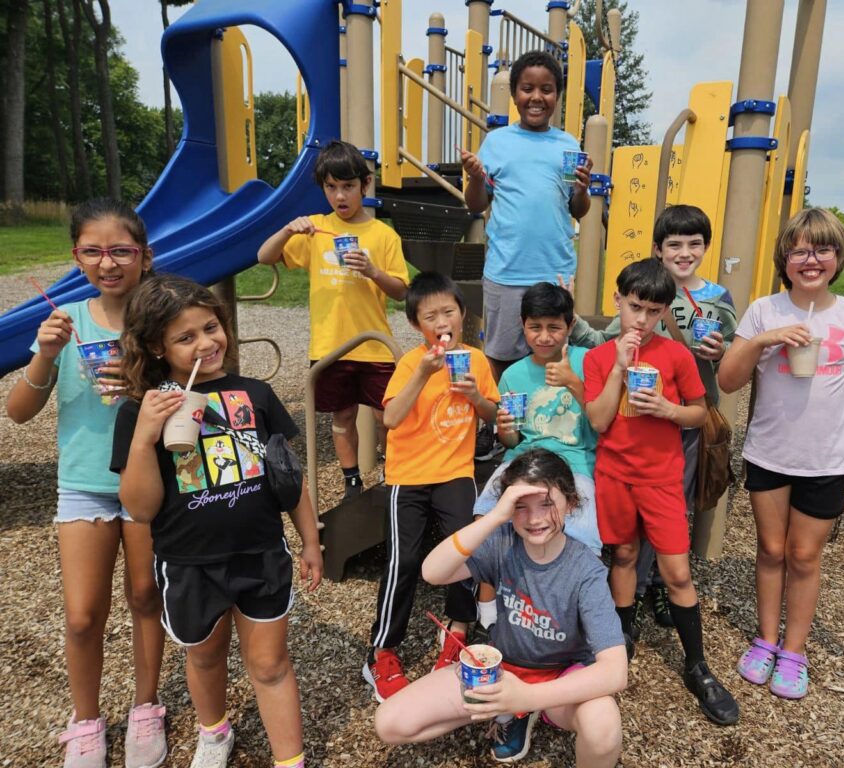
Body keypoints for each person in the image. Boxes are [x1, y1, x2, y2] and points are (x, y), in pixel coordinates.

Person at [111, 274, 324, 768]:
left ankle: (290, 760)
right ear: (157, 347)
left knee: (270, 664)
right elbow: (140, 508)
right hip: (188, 562)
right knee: (204, 656)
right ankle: (214, 731)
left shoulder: (257, 394)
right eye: (186, 337)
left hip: (261, 553)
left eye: (211, 327)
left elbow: (290, 478)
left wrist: (310, 539)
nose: (206, 343)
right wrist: (145, 435)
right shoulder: (139, 411)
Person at [5, 198, 167, 768]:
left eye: (121, 250)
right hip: (83, 482)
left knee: (147, 596)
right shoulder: (66, 321)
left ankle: (147, 707)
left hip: (150, 483)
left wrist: (143, 382)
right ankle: (85, 721)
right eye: (93, 251)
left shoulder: (162, 324)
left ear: (144, 257)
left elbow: (195, 399)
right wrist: (45, 356)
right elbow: (18, 412)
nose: (108, 262)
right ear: (76, 257)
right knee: (80, 614)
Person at [718, 208, 844, 700]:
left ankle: (794, 650)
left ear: (838, 257)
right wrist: (767, 339)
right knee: (771, 550)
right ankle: (766, 639)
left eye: (823, 249)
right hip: (769, 452)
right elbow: (729, 379)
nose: (811, 260)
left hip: (828, 459)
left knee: (805, 555)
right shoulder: (764, 311)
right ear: (784, 258)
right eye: (799, 250)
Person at [375, 449, 627, 766]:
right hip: (501, 669)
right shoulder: (503, 541)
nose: (534, 519)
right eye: (520, 507)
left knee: (603, 725)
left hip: (562, 677)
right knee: (390, 722)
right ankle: (508, 711)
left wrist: (529, 697)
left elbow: (615, 672)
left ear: (571, 503)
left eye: (547, 504)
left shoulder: (585, 571)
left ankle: (525, 710)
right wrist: (494, 517)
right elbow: (433, 572)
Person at [583, 259, 739, 726]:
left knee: (677, 572)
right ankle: (624, 636)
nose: (642, 320)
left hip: (662, 478)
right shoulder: (596, 357)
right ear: (618, 301)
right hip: (615, 476)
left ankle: (697, 666)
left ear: (664, 310)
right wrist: (620, 368)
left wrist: (668, 409)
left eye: (653, 311)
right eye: (635, 308)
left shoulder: (677, 356)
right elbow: (598, 420)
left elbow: (699, 413)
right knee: (625, 556)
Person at [571, 204, 737, 628]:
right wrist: (573, 321)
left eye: (694, 243)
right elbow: (602, 368)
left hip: (677, 431)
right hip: (626, 445)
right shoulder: (621, 335)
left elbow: (728, 364)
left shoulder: (717, 300)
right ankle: (629, 611)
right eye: (674, 244)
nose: (684, 252)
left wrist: (719, 355)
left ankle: (661, 590)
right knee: (626, 546)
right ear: (659, 249)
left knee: (673, 532)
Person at [363, 272, 499, 702]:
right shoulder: (409, 363)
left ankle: (457, 631)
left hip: (456, 471)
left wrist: (475, 396)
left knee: (464, 553)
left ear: (462, 314)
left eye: (448, 311)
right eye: (430, 315)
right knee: (403, 561)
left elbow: (493, 415)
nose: (441, 321)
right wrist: (423, 373)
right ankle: (382, 650)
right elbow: (390, 418)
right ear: (416, 325)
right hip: (409, 477)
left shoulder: (476, 360)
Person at [459, 49, 592, 460]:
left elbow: (576, 209)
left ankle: (554, 425)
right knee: (500, 353)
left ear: (557, 96)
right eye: (528, 88)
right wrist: (476, 178)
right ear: (515, 94)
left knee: (553, 347)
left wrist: (583, 187)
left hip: (554, 269)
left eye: (547, 89)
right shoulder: (497, 142)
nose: (537, 97)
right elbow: (475, 205)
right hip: (506, 268)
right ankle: (500, 427)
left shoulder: (567, 145)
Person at [258, 139, 409, 497]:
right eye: (331, 187)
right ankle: (351, 480)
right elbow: (264, 256)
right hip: (330, 345)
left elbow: (402, 290)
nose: (340, 196)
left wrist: (372, 271)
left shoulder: (383, 235)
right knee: (341, 417)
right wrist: (288, 230)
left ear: (364, 185)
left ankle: (393, 475)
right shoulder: (315, 230)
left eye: (348, 186)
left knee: (386, 416)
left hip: (374, 344)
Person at [472, 282, 601, 641]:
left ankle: (577, 615)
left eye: (554, 328)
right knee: (486, 521)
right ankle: (487, 612)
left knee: (582, 533)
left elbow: (601, 420)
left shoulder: (586, 362)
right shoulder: (513, 374)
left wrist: (575, 383)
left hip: (574, 463)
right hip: (523, 460)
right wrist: (504, 429)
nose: (544, 337)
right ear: (522, 325)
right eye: (535, 327)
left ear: (570, 325)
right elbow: (511, 440)